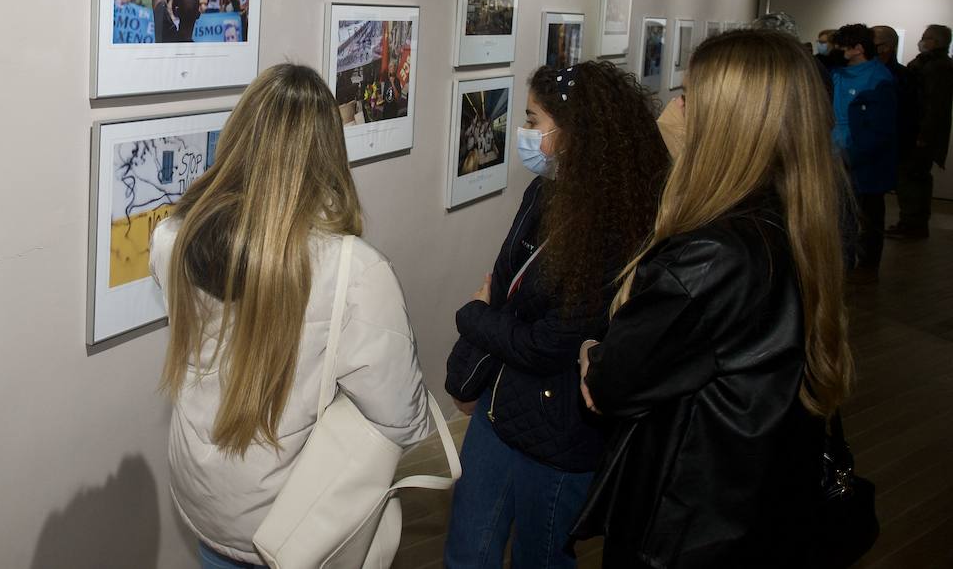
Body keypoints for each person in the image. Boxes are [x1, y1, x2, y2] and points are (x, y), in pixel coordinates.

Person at [571, 29, 854, 568]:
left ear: (727, 123)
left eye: (689, 97)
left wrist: (591, 353)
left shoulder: (713, 253)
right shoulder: (799, 218)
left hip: (691, 526)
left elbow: (609, 384)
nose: (675, 108)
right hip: (765, 506)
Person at [151, 63, 432, 568]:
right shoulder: (354, 271)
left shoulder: (172, 238)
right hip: (292, 524)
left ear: (238, 136)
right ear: (328, 153)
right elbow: (402, 419)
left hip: (206, 503)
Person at [443, 62, 671, 569]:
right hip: (499, 408)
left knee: (540, 558)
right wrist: (491, 316)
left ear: (574, 133)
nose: (524, 133)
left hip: (561, 433)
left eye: (533, 119)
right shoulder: (545, 191)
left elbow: (549, 341)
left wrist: (473, 316)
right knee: (467, 551)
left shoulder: (617, 225)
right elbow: (506, 286)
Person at [831, 24, 898, 276]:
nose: (836, 50)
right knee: (842, 216)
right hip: (836, 155)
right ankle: (843, 264)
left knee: (868, 216)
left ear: (858, 48)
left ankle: (868, 266)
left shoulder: (878, 80)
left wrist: (853, 156)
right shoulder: (836, 74)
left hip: (864, 162)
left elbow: (880, 130)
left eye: (842, 45)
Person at [891, 24, 953, 239]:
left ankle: (912, 224)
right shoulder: (932, 64)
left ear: (936, 42)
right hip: (916, 131)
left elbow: (934, 105)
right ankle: (911, 222)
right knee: (914, 178)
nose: (922, 40)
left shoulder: (938, 67)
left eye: (926, 37)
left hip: (919, 134)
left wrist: (923, 135)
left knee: (912, 178)